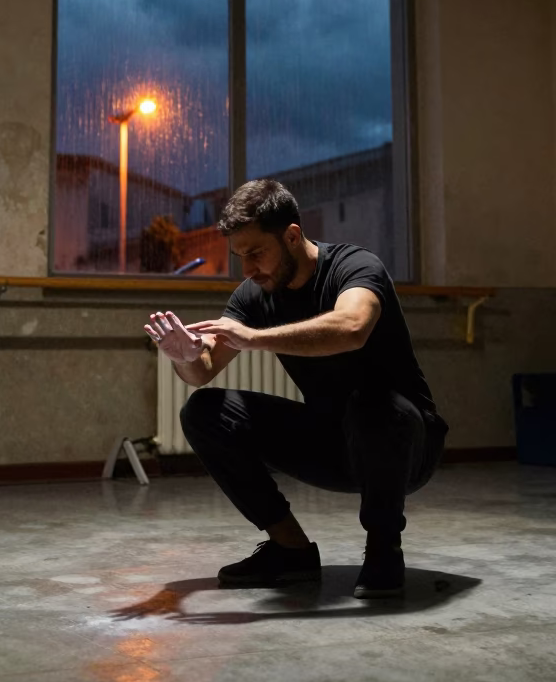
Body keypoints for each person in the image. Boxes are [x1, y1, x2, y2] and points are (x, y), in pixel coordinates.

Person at [144, 179, 448, 598]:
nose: (248, 269)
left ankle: (383, 547)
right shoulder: (254, 294)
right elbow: (204, 368)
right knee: (203, 411)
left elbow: (353, 327)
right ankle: (291, 550)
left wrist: (254, 338)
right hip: (334, 443)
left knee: (370, 401)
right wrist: (183, 357)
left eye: (256, 253)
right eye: (240, 257)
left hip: (407, 445)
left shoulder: (355, 267)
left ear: (291, 235)